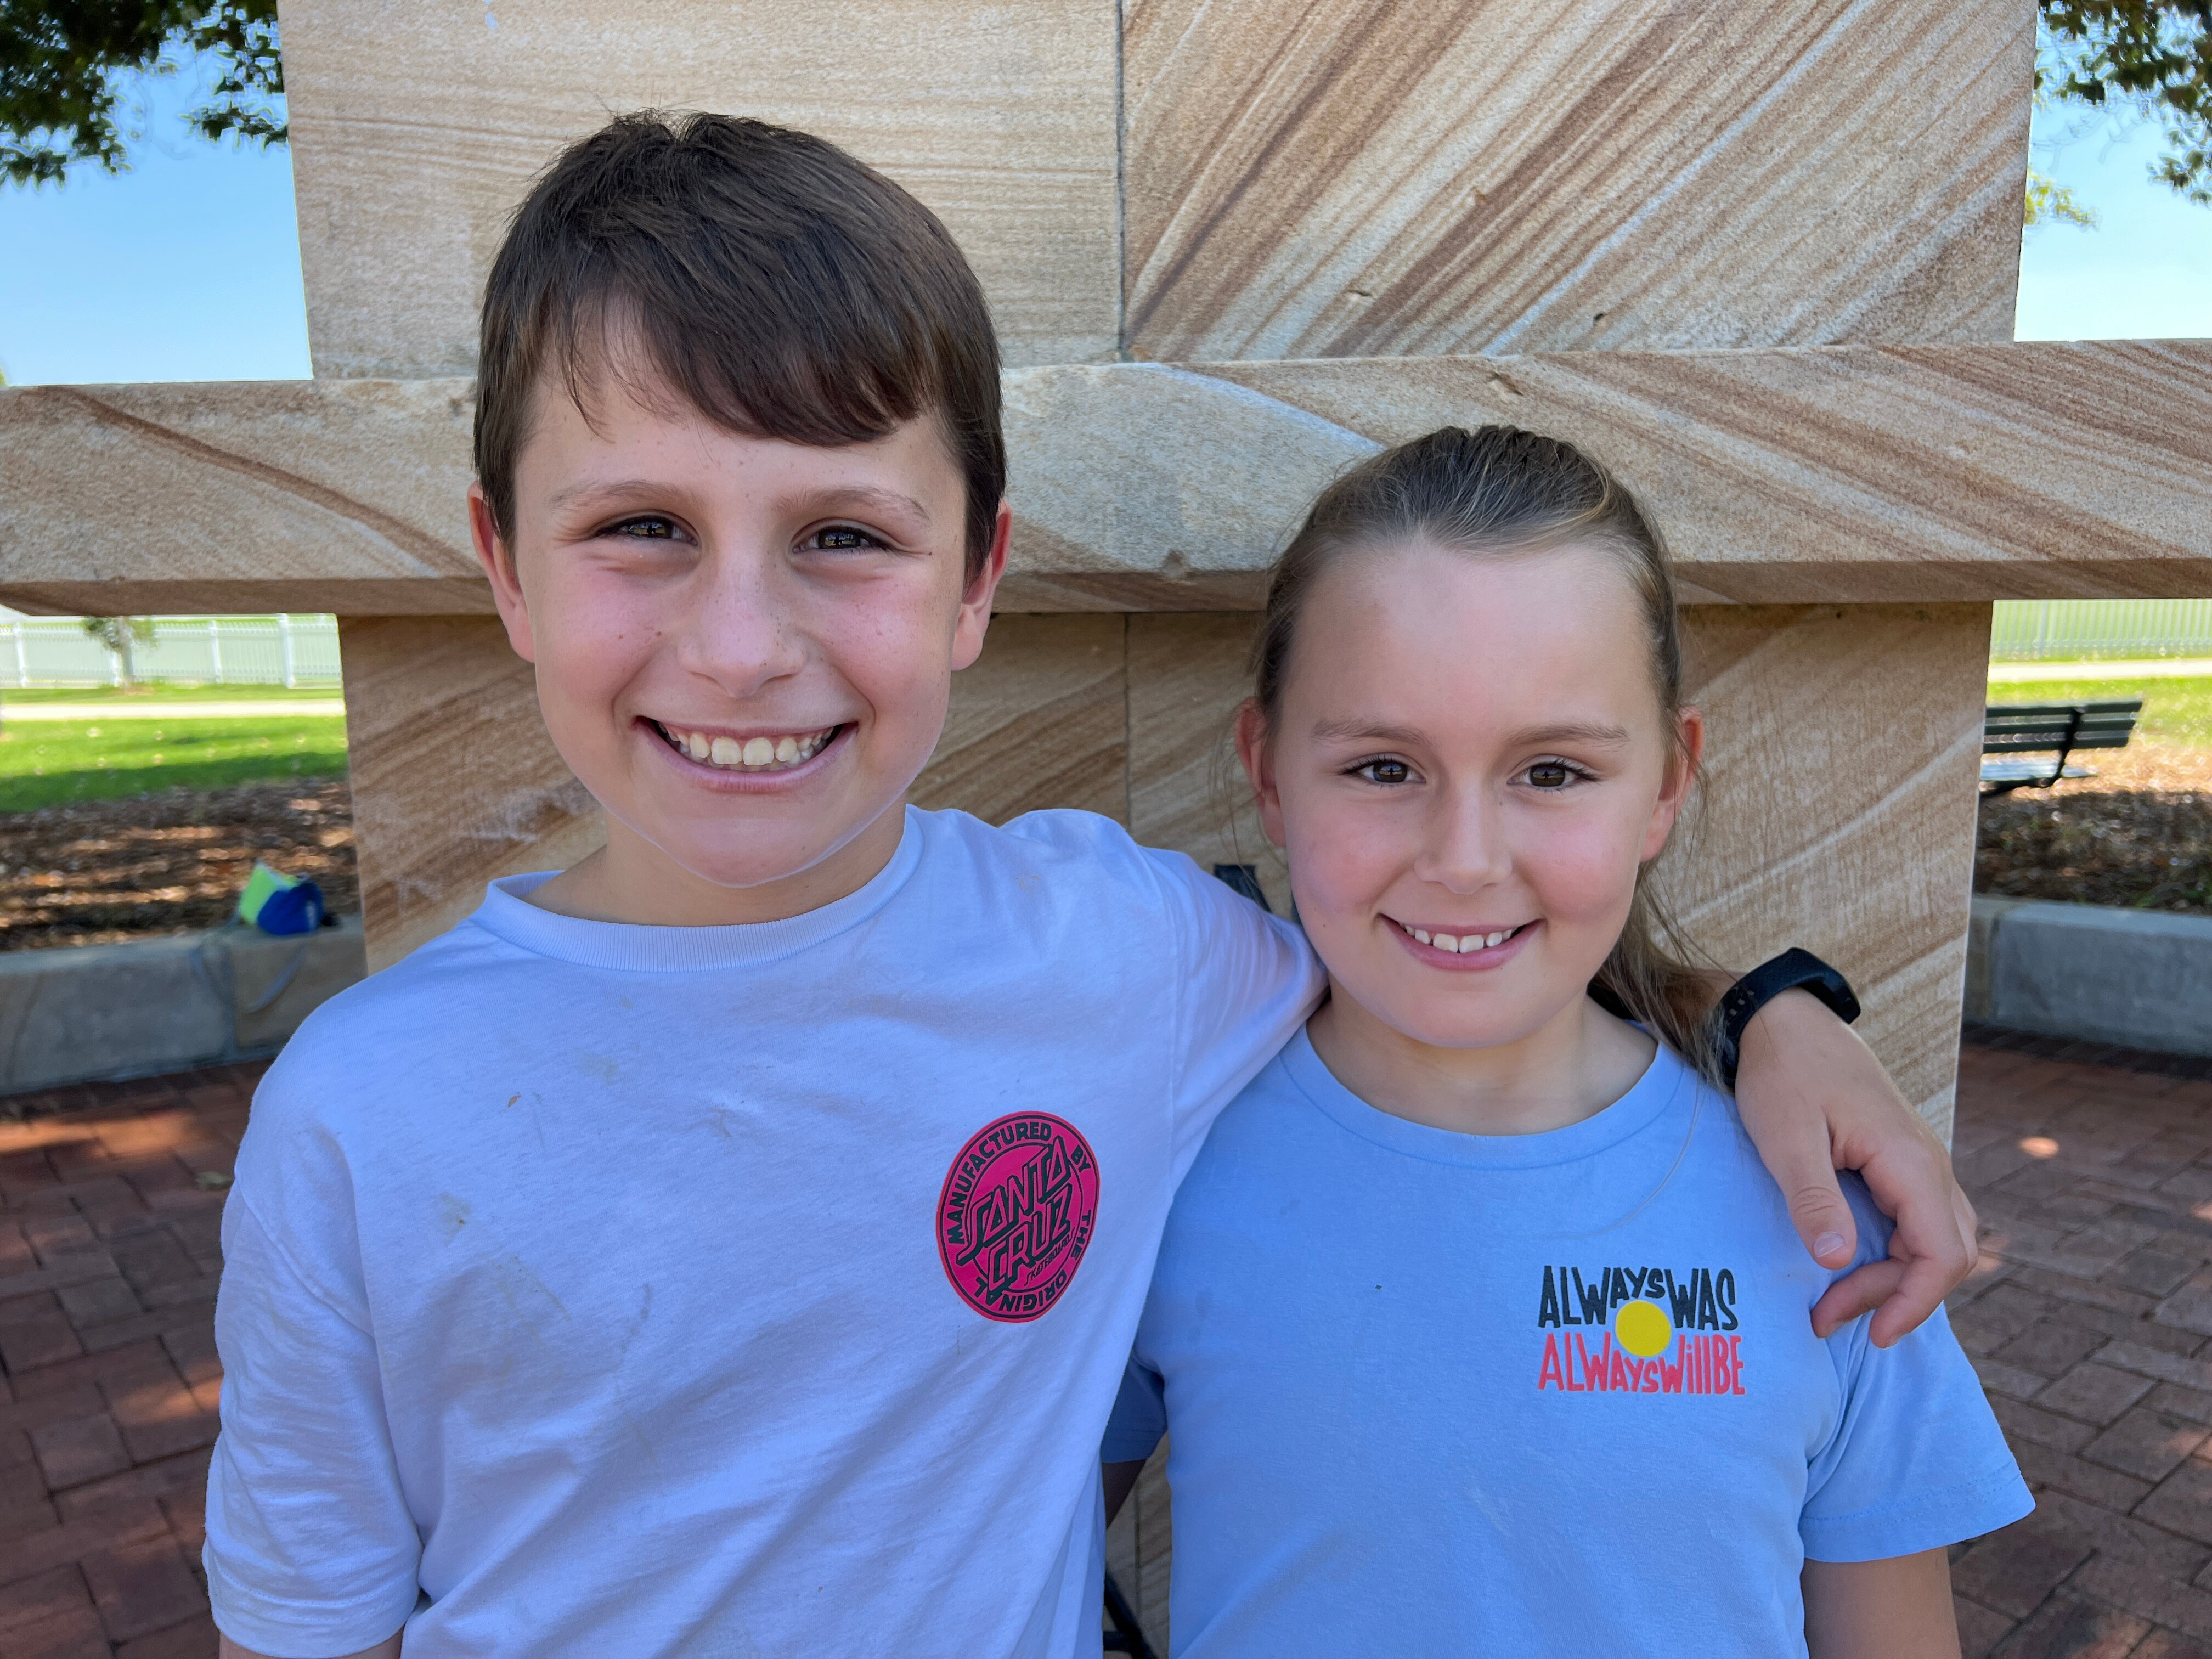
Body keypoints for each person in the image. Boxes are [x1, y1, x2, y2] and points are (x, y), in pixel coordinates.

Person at [205, 114, 1979, 1659]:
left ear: (975, 579)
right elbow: (307, 1611)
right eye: (641, 526)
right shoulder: (359, 1113)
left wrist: (1775, 1011)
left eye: (840, 533)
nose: (740, 647)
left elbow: (1457, 932)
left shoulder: (1120, 955)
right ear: (502, 565)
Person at [1101, 426, 2030, 1657]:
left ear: (1666, 783)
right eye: (1383, 766)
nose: (1467, 860)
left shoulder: (1830, 1212)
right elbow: (977, 1575)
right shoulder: (1155, 1178)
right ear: (1269, 776)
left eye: (1551, 770)